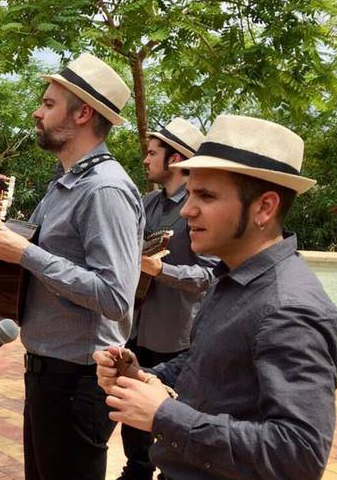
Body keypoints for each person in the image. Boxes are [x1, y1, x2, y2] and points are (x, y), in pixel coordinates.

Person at [96, 114, 337, 480]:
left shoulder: (290, 309)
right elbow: (213, 364)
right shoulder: (233, 277)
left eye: (206, 196)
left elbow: (299, 455)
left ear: (264, 207)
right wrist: (144, 375)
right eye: (191, 192)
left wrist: (165, 413)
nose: (187, 210)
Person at [0, 53, 145, 480]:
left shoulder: (105, 189)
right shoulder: (64, 185)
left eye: (49, 104)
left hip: (77, 380)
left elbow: (114, 295)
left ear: (83, 113)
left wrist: (25, 255)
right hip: (50, 374)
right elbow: (48, 264)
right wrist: (2, 265)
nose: (37, 112)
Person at [117, 117, 217, 480]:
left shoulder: (198, 209)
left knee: (167, 416)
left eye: (152, 152)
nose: (145, 159)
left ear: (174, 159)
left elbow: (209, 276)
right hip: (136, 327)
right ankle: (136, 470)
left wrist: (162, 271)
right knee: (132, 408)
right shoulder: (146, 203)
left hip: (175, 336)